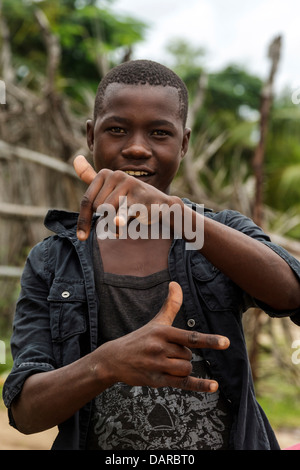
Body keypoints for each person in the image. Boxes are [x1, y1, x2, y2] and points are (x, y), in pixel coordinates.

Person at [3, 60, 300, 451]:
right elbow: (25, 413)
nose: (137, 147)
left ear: (184, 143)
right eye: (117, 130)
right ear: (91, 136)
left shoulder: (218, 233)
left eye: (159, 133)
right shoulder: (52, 260)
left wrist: (175, 214)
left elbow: (292, 294)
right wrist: (104, 365)